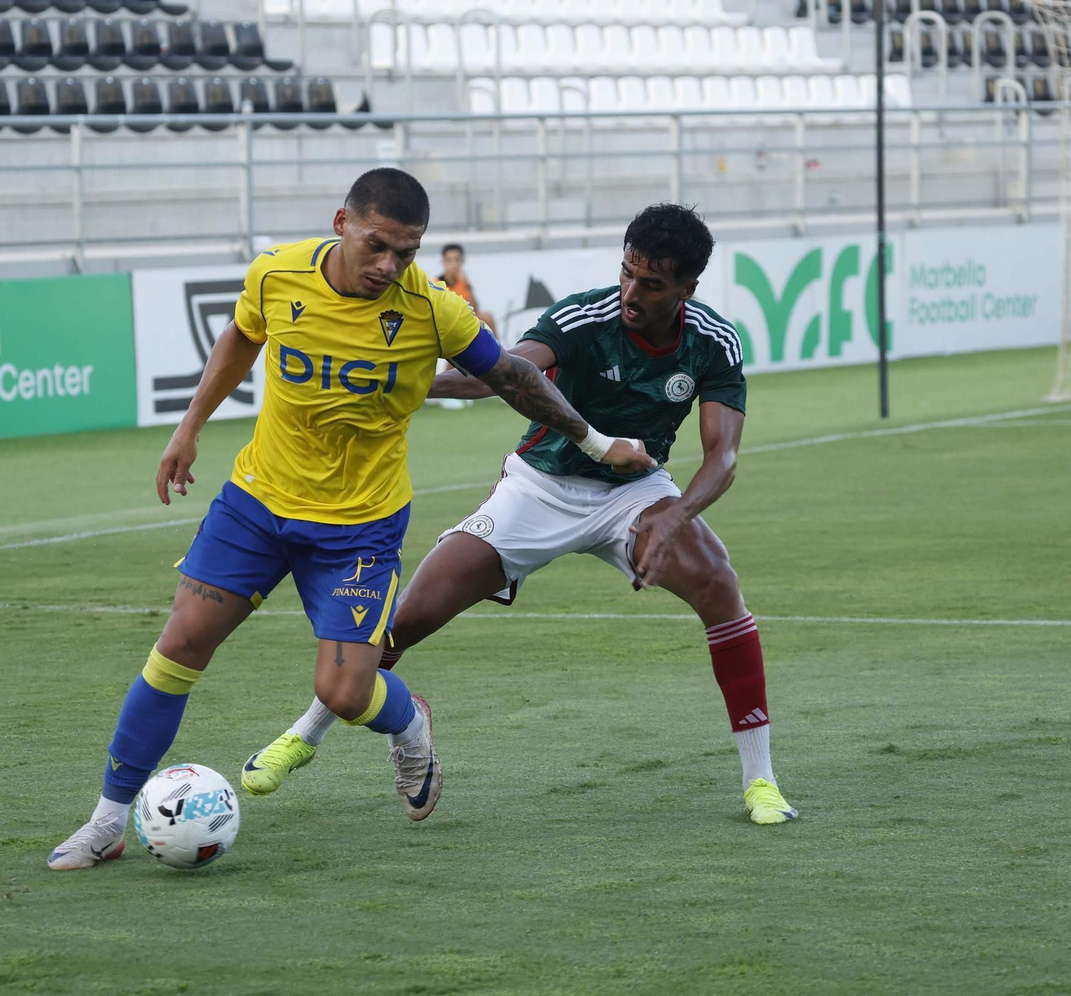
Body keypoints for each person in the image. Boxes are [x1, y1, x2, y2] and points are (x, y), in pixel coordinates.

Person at [47, 169, 656, 870]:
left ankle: (411, 723)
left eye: (407, 251)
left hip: (359, 527)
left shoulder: (431, 309)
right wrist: (190, 427)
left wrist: (594, 443)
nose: (390, 265)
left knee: (342, 691)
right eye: (378, 246)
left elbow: (513, 377)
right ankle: (106, 821)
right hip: (257, 503)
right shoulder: (277, 274)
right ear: (342, 222)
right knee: (178, 648)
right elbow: (242, 338)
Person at [242, 204, 798, 826]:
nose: (631, 292)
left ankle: (762, 780)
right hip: (537, 489)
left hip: (634, 494)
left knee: (720, 583)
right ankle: (305, 733)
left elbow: (722, 458)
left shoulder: (712, 341)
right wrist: (407, 379)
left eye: (651, 284)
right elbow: (500, 373)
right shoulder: (584, 316)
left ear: (688, 289)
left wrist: (674, 518)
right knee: (411, 616)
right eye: (627, 273)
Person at [438, 243, 498, 339]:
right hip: (448, 322)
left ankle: (498, 349)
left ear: (462, 261)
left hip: (465, 320)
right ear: (443, 262)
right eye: (449, 260)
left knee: (487, 317)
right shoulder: (437, 283)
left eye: (457, 260)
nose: (453, 265)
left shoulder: (464, 282)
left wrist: (467, 285)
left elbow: (475, 309)